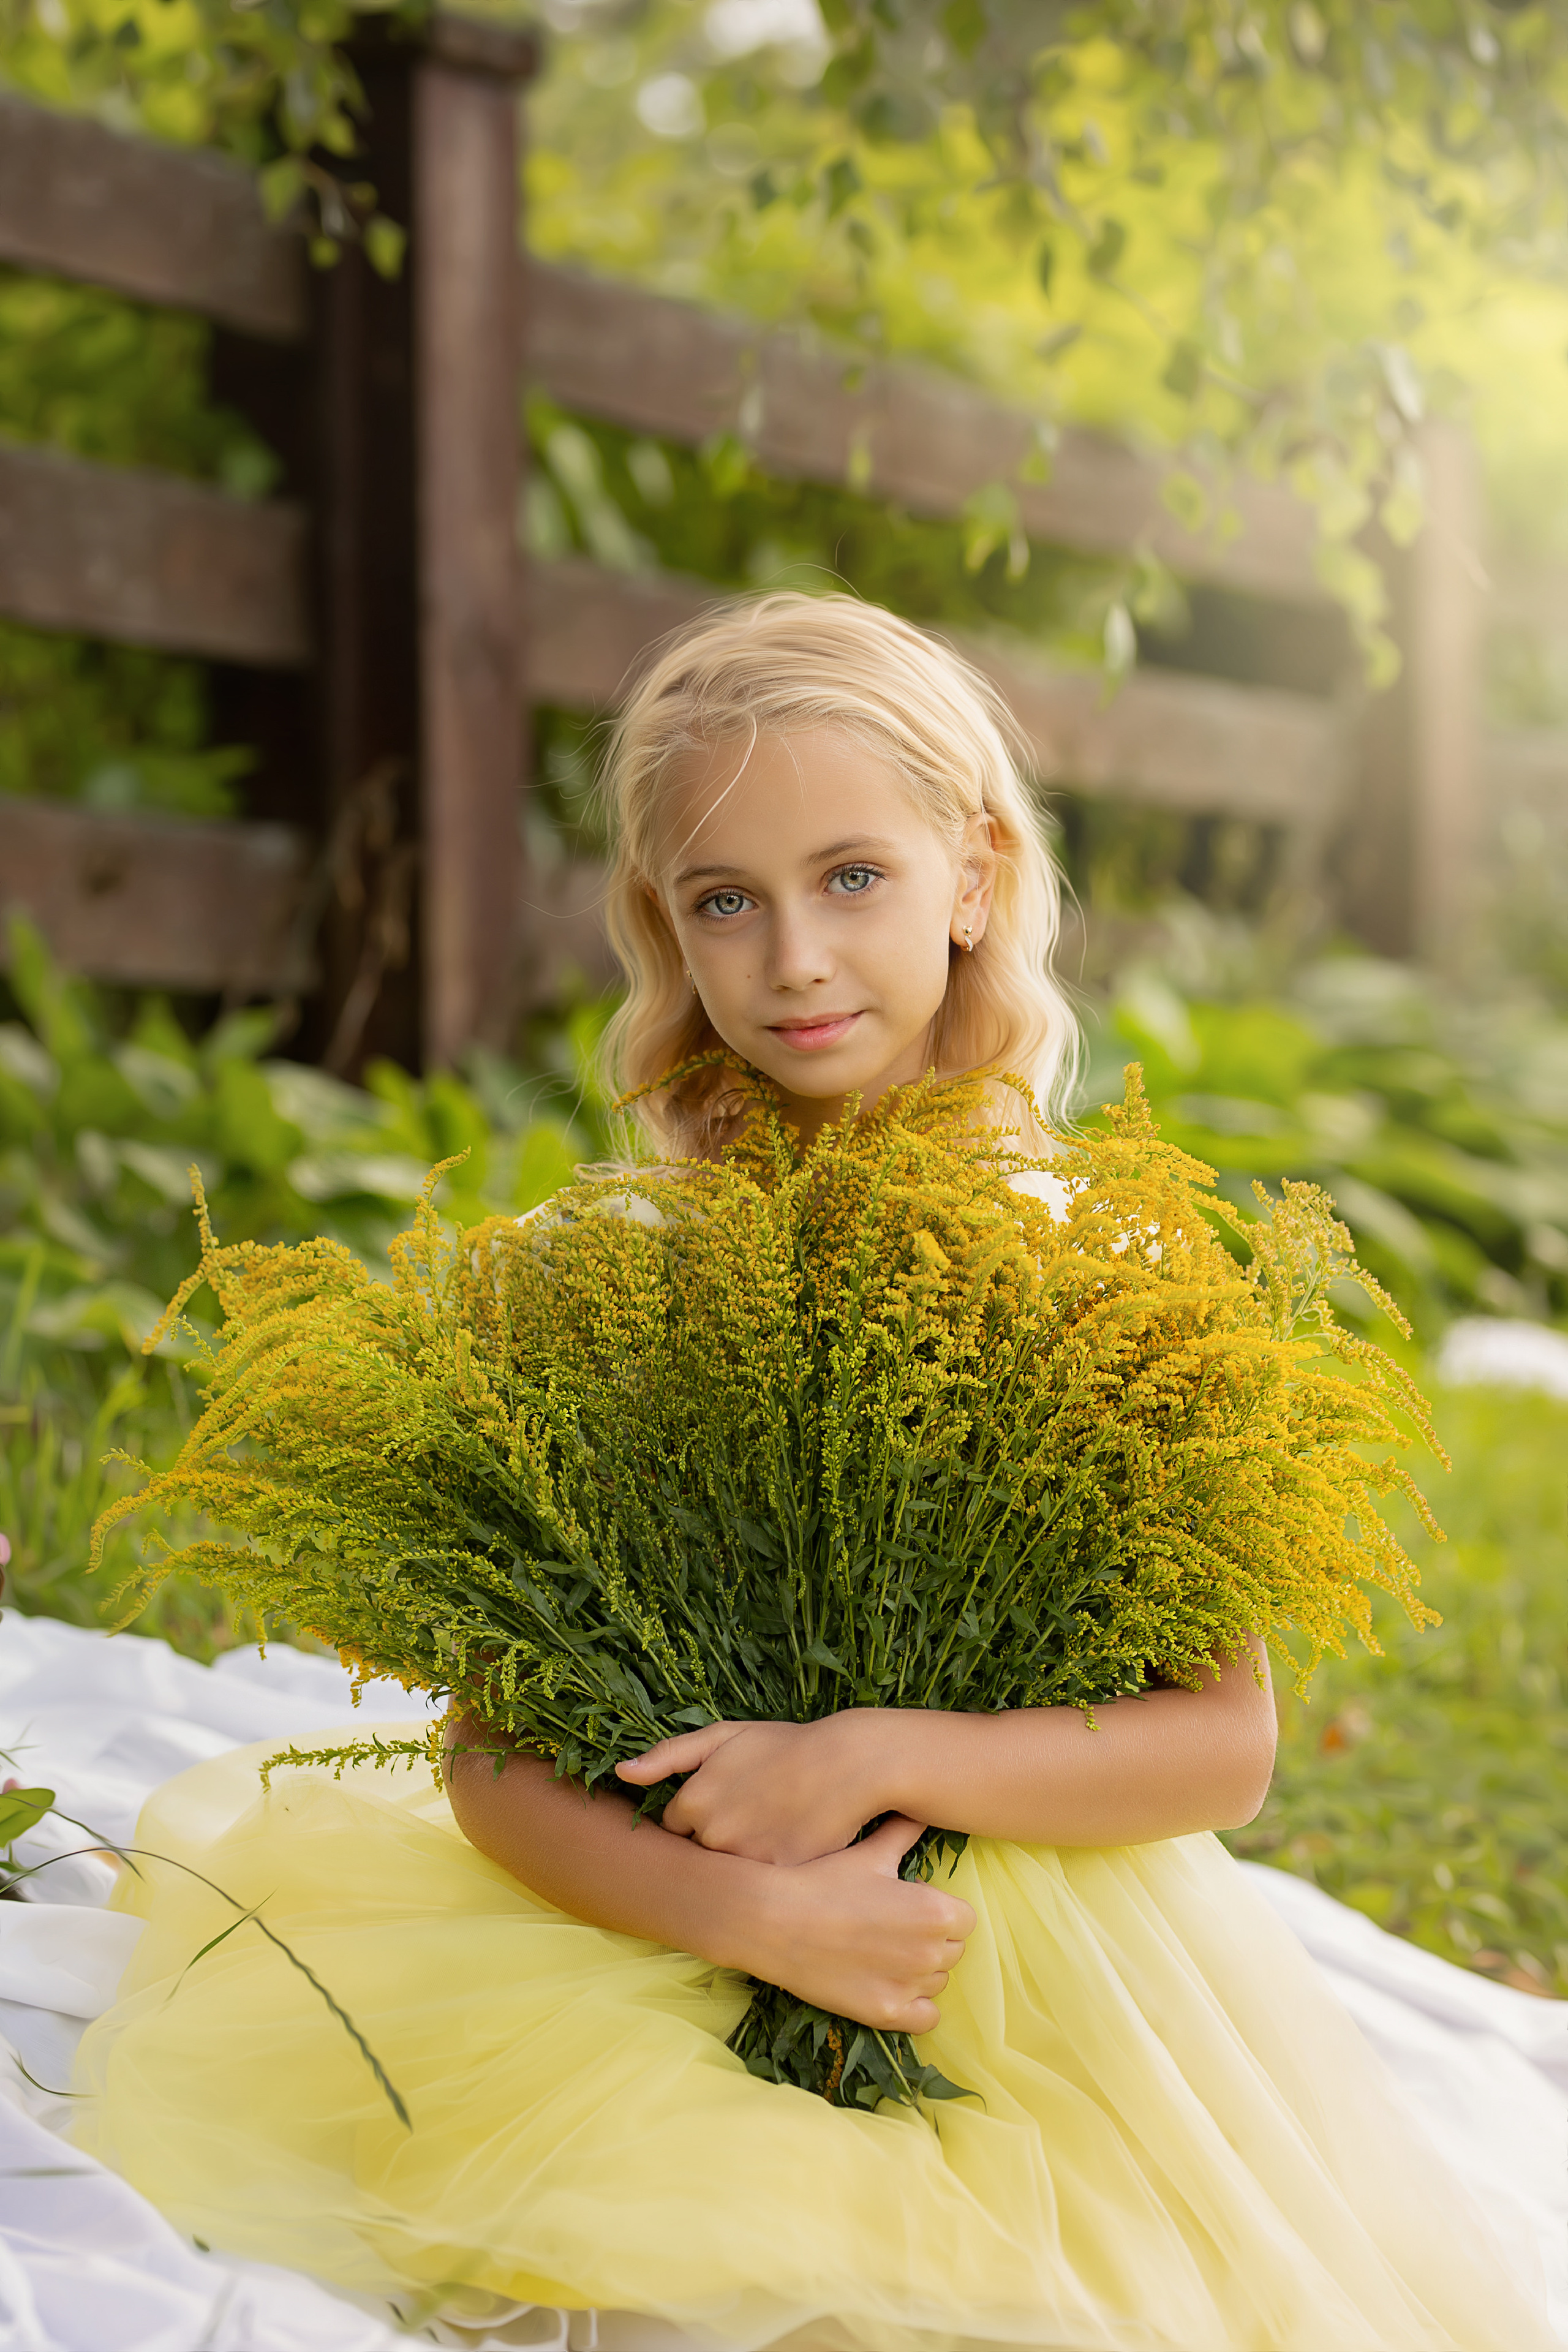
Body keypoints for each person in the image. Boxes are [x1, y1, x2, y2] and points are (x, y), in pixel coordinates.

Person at [74, 597, 1553, 2350]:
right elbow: (492, 1758)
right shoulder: (628, 1277)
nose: (793, 959)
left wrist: (856, 1758)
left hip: (1021, 1966)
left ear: (977, 875)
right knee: (651, 2252)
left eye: (854, 877)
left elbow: (1223, 1744)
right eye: (726, 901)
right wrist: (746, 1913)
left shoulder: (1108, 1279)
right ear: (666, 931)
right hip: (661, 1923)